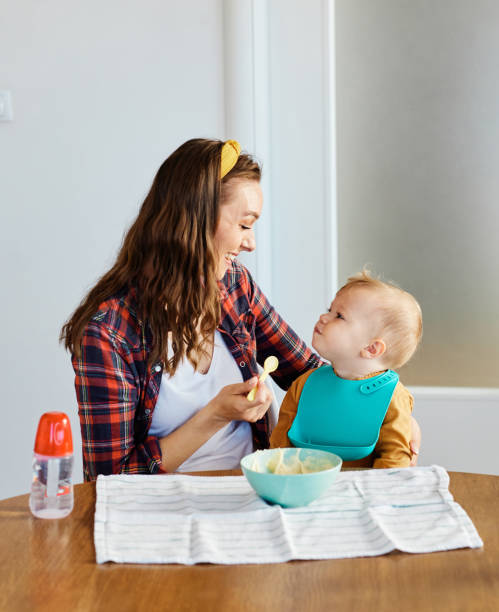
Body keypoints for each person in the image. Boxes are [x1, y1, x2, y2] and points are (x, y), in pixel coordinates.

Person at [60, 138, 421, 480]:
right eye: (244, 224)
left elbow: (309, 375)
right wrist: (214, 415)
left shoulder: (234, 285)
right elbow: (109, 480)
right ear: (193, 221)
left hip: (259, 491)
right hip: (164, 509)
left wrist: (389, 411)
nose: (250, 243)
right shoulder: (109, 332)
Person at [270, 270, 422, 468]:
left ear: (371, 348)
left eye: (339, 316)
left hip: (363, 494)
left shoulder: (392, 397)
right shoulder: (303, 385)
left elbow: (394, 462)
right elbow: (279, 448)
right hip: (305, 490)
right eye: (329, 310)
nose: (324, 317)